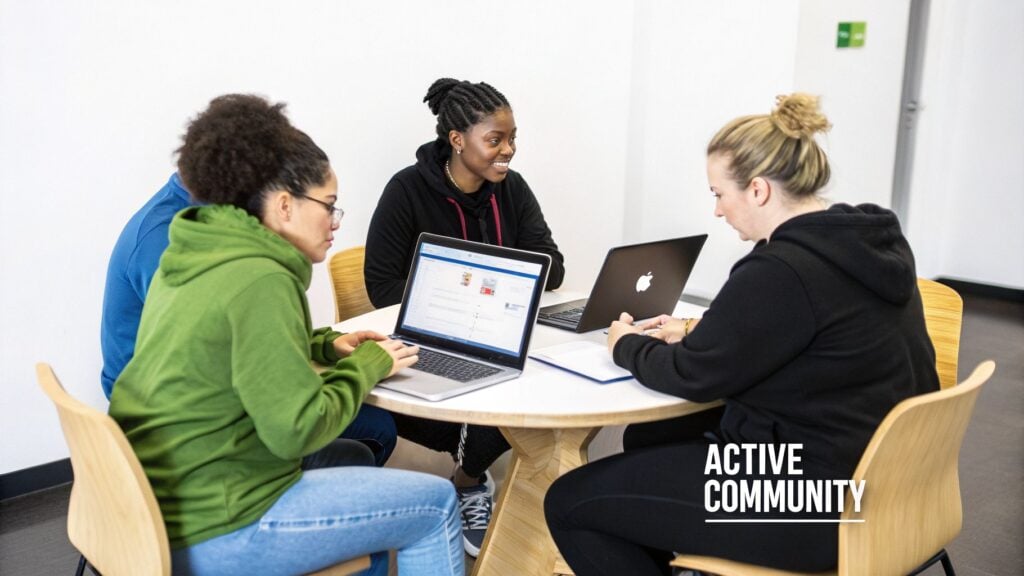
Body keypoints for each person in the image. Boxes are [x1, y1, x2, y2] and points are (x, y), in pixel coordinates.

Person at [544, 93, 940, 575]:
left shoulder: (780, 270)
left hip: (817, 499)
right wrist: (697, 328)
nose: (716, 211)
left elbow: (692, 375)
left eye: (718, 194)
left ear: (758, 190)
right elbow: (795, 332)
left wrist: (624, 344)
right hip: (894, 482)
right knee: (654, 435)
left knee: (569, 502)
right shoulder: (863, 241)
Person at [108, 94, 464, 576]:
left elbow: (228, 337)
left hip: (159, 504)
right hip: (223, 522)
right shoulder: (262, 278)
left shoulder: (195, 249)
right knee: (436, 504)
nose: (335, 223)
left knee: (359, 470)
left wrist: (323, 345)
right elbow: (298, 429)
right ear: (283, 205)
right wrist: (368, 365)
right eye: (329, 206)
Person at [365, 77, 566, 556]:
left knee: (537, 381)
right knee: (508, 401)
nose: (508, 150)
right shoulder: (407, 190)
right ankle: (469, 481)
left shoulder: (511, 189)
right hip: (429, 340)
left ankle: (480, 480)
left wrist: (494, 286)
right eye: (495, 139)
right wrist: (459, 295)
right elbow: (381, 286)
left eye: (512, 138)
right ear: (457, 139)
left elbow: (552, 267)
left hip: (496, 332)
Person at [100, 169, 396, 469]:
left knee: (375, 424)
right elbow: (226, 357)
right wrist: (362, 367)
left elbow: (235, 332)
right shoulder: (164, 242)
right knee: (367, 435)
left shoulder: (204, 220)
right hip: (181, 430)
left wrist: (323, 344)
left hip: (197, 404)